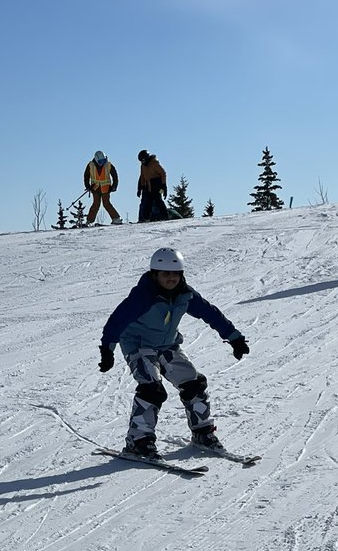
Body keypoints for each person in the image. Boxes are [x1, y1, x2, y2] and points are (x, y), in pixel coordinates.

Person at [98, 247, 249, 459]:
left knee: (194, 384)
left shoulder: (185, 295)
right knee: (152, 388)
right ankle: (138, 440)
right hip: (139, 345)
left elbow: (210, 313)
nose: (171, 279)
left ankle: (202, 432)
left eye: (175, 274)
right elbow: (117, 321)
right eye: (165, 274)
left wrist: (234, 337)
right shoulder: (143, 296)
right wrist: (107, 350)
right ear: (155, 275)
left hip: (168, 346)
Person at [84, 151, 121, 225]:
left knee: (106, 203)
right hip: (95, 188)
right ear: (96, 159)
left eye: (103, 161)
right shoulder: (90, 165)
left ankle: (116, 219)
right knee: (96, 204)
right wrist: (87, 186)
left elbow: (115, 176)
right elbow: (86, 176)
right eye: (100, 161)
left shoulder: (108, 165)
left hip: (106, 188)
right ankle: (90, 221)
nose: (102, 163)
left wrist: (114, 186)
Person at [136, 150, 169, 222]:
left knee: (158, 200)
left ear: (147, 158)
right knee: (148, 202)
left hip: (158, 185)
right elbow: (142, 177)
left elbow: (163, 173)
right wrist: (140, 188)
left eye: (143, 160)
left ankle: (165, 216)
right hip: (149, 186)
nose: (142, 162)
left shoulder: (154, 163)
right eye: (141, 161)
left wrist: (164, 186)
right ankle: (145, 218)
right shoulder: (143, 166)